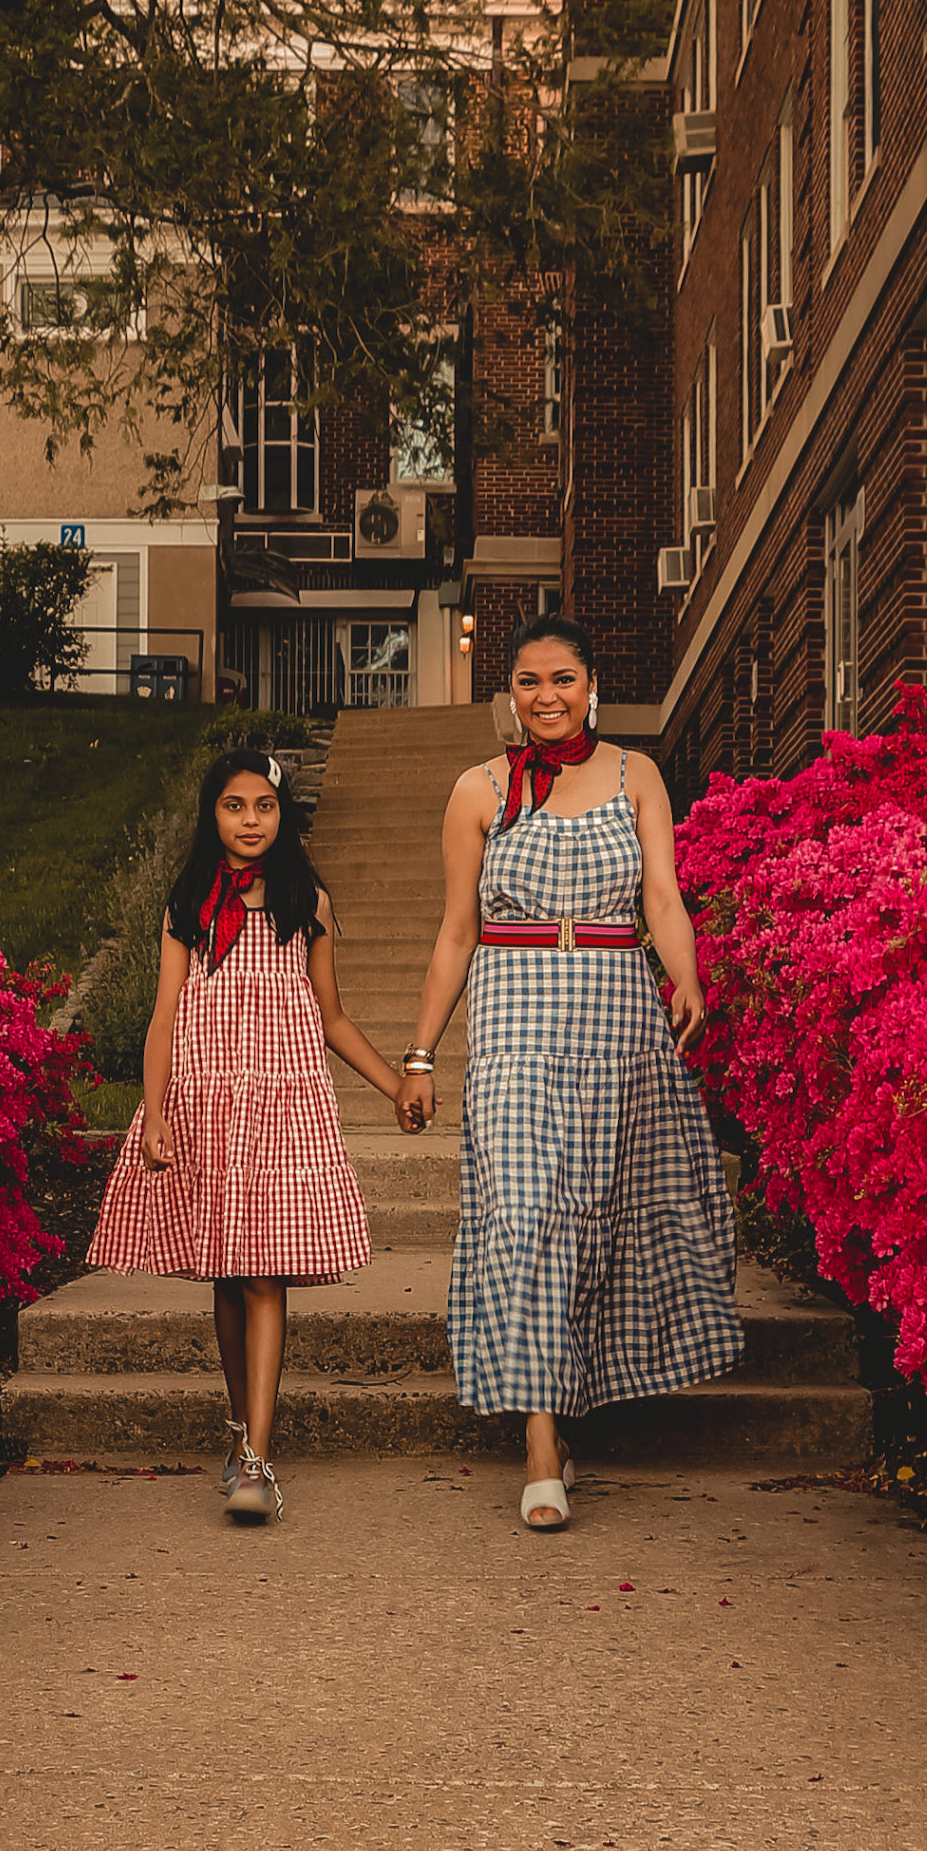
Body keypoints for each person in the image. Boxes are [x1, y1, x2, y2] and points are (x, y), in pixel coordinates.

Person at [395, 614, 743, 1529]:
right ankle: (540, 1445)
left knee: (591, 1220)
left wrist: (686, 977)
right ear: (506, 694)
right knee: (523, 1217)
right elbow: (455, 931)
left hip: (614, 1012)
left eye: (562, 679)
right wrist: (422, 1053)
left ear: (592, 686)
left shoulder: (637, 775)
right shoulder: (477, 790)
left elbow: (661, 895)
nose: (545, 697)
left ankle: (570, 1398)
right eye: (526, 681)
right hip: (511, 1020)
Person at [89, 747, 403, 1522]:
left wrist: (396, 1084)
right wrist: (154, 1111)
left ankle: (258, 1460)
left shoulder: (308, 902)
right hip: (204, 1101)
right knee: (226, 1277)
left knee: (265, 1275)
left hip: (282, 1106)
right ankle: (239, 1430)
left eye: (264, 806)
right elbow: (163, 1018)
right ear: (212, 815)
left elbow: (331, 1017)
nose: (250, 820)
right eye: (235, 806)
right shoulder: (189, 901)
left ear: (284, 815)